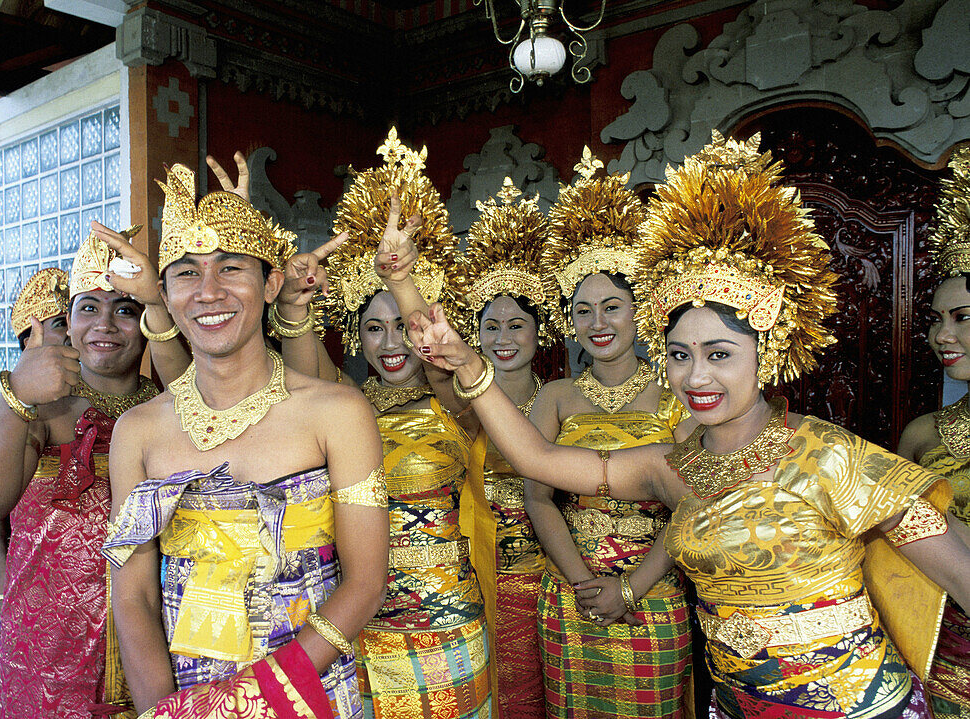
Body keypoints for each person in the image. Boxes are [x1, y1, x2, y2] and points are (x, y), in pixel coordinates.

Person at [406, 132, 970, 719]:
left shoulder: (828, 455)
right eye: (678, 355)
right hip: (734, 705)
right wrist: (469, 365)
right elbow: (539, 464)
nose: (696, 377)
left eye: (720, 354)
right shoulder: (671, 464)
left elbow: (960, 572)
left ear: (767, 352)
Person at [100, 161, 389, 719]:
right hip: (185, 701)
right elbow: (132, 594)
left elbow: (367, 583)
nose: (208, 292)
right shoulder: (137, 432)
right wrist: (166, 711)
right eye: (185, 273)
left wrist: (253, 699)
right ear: (163, 291)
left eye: (231, 268)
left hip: (314, 690)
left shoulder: (339, 413)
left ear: (271, 282)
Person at [276, 129, 495, 718]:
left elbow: (437, 352)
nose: (393, 342)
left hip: (446, 625)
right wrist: (294, 304)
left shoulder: (452, 397)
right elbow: (300, 361)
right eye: (375, 328)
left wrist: (401, 279)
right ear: (356, 336)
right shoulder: (344, 402)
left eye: (403, 325)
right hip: (354, 625)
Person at [525, 148, 694, 719]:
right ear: (567, 319)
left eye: (612, 307)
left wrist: (632, 587)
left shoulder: (679, 394)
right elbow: (536, 495)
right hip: (572, 594)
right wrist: (583, 582)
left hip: (654, 592)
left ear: (638, 309)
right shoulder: (554, 395)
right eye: (582, 310)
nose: (598, 324)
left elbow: (695, 502)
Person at [0, 230, 159, 719]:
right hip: (51, 642)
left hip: (153, 630)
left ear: (149, 322)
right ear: (67, 323)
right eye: (88, 308)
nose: (105, 325)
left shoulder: (168, 406)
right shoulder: (41, 408)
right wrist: (16, 397)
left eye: (125, 310)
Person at [447, 176, 563, 719]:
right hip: (478, 573)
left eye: (518, 325)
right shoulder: (461, 407)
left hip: (554, 577)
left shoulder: (562, 403)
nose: (503, 338)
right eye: (490, 325)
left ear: (541, 333)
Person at [898, 145, 970, 719]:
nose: (941, 335)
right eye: (936, 318)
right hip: (940, 652)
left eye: (962, 318)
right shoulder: (924, 433)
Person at [0, 267, 71, 642]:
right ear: (31, 339)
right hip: (38, 593)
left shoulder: (120, 392)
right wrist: (2, 586)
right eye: (59, 322)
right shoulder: (16, 405)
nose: (72, 332)